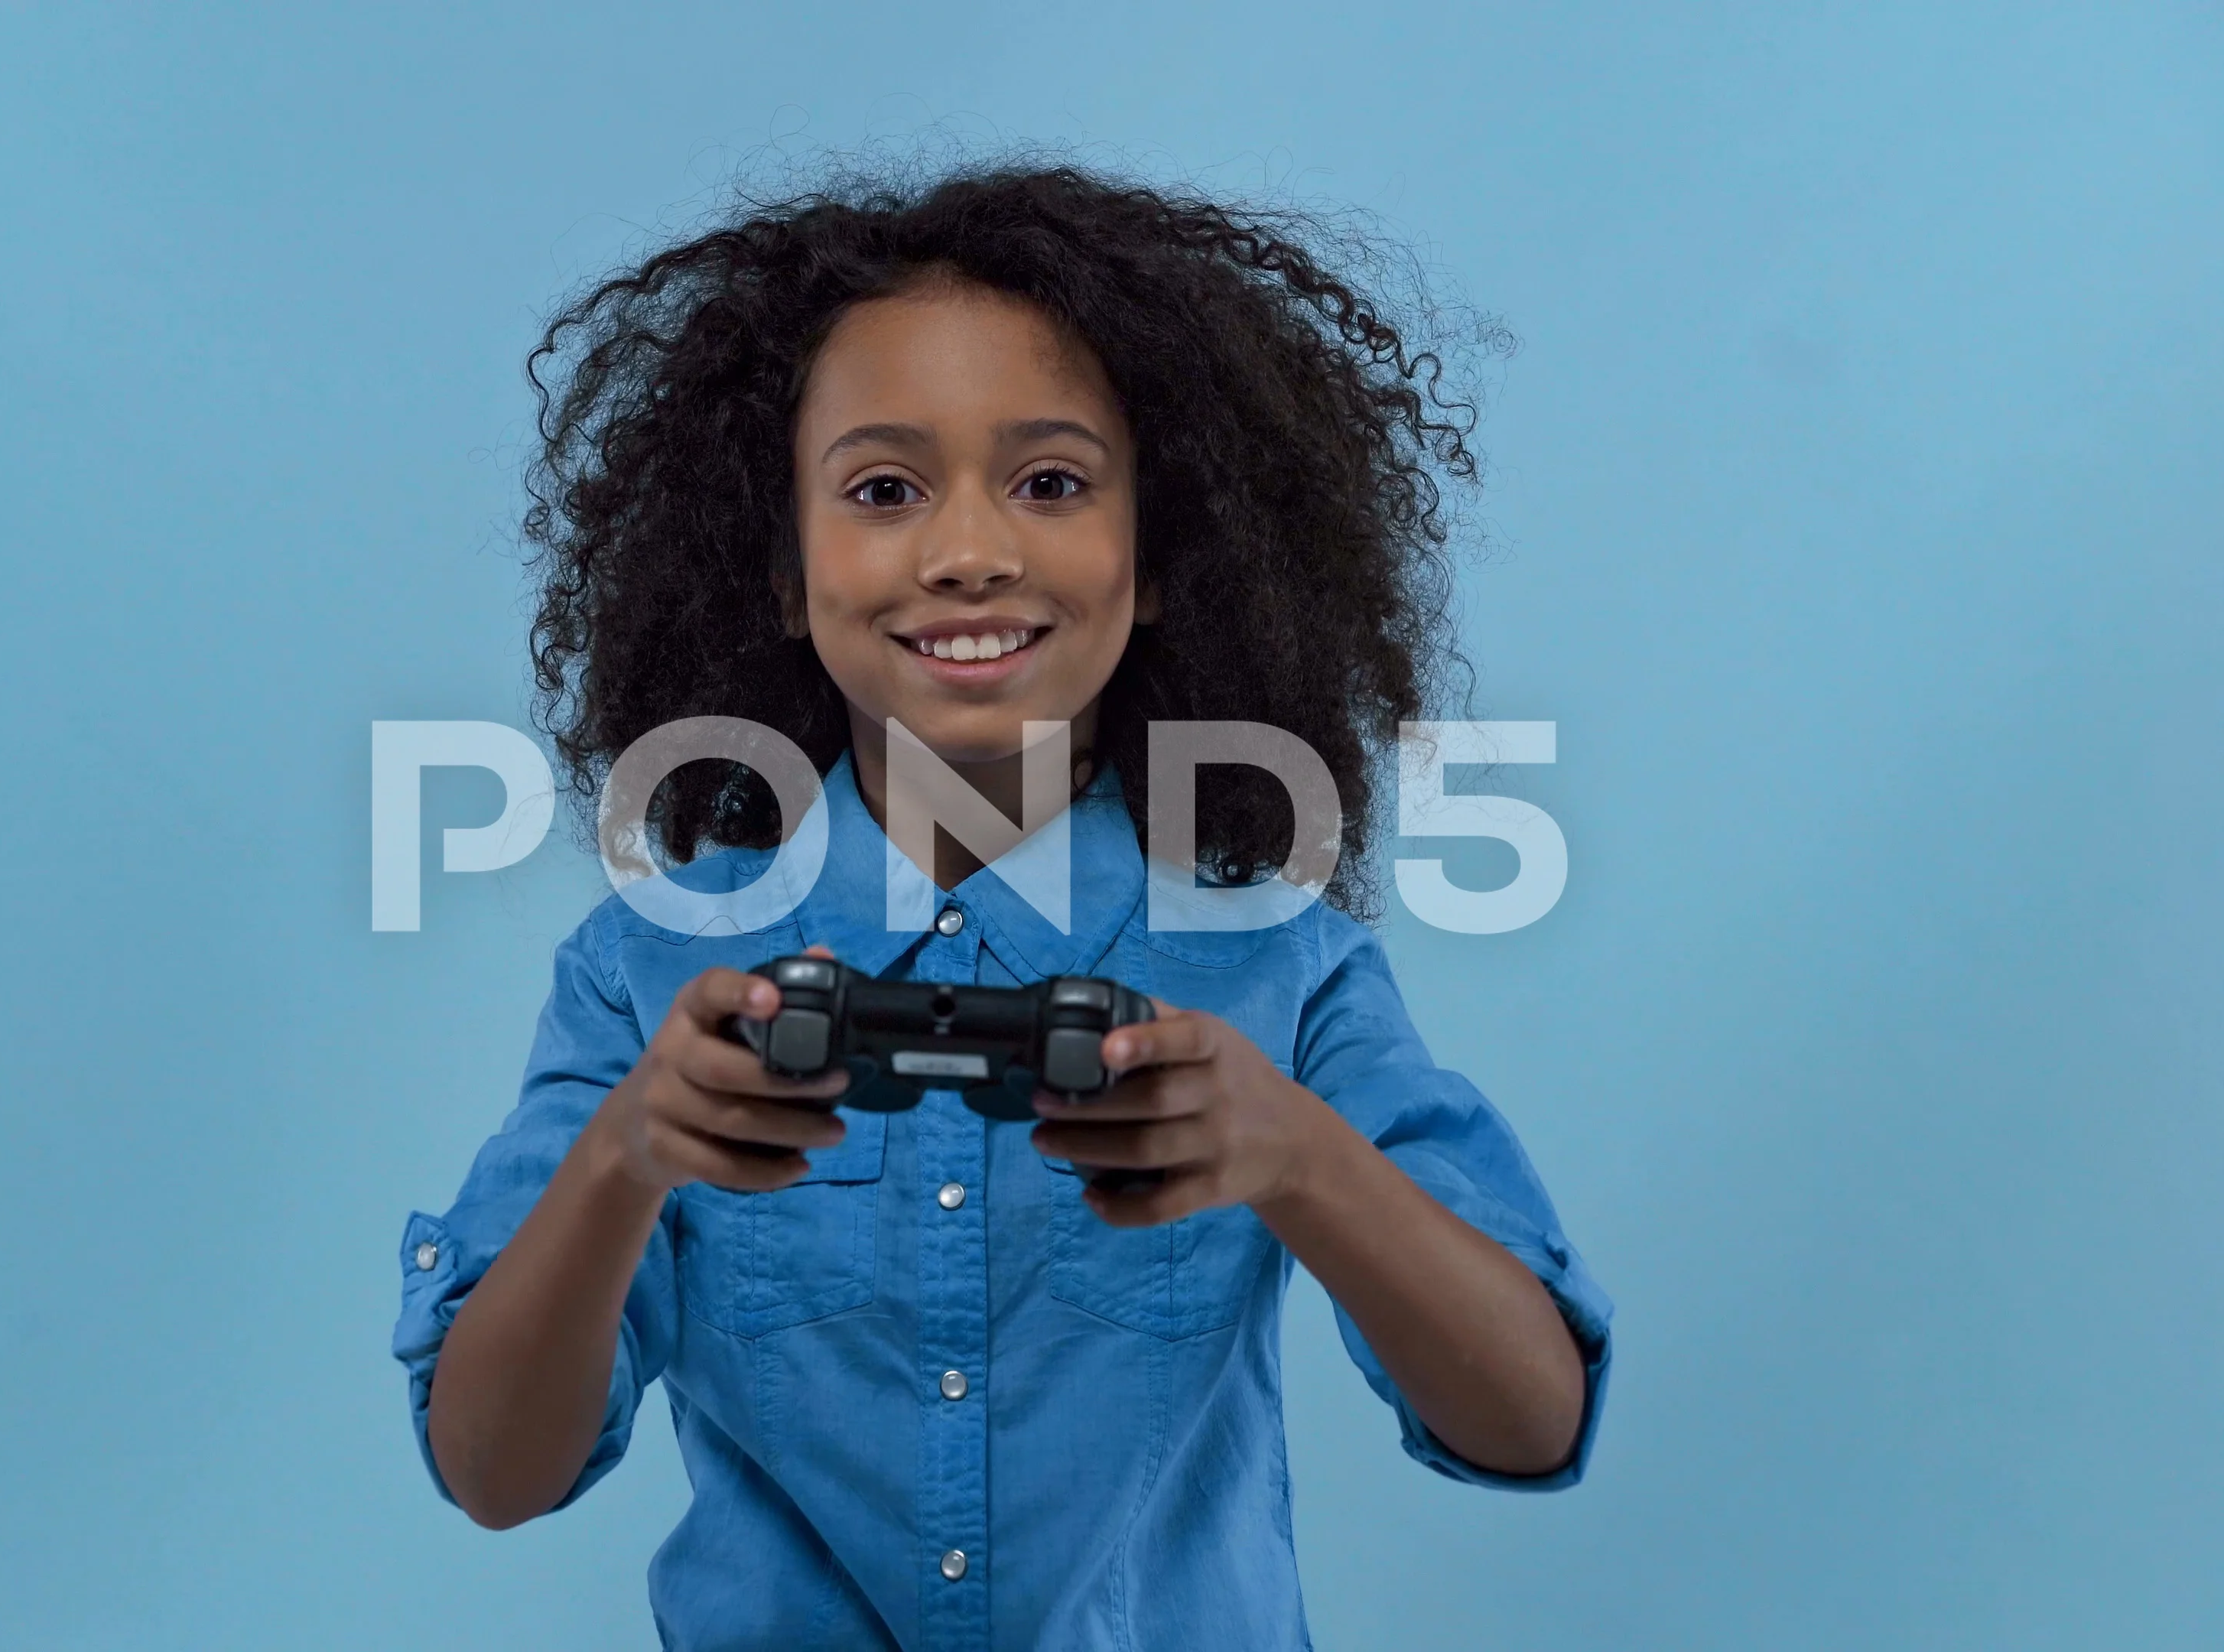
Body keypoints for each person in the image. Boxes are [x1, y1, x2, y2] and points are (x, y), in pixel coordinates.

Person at [394, 164, 1612, 1650]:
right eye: (884, 488)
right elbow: (495, 1476)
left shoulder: (1280, 964)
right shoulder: (647, 971)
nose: (969, 550)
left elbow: (1531, 1424)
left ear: (1158, 560)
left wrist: (1299, 1157)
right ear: (783, 572)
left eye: (1050, 482)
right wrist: (620, 1165)